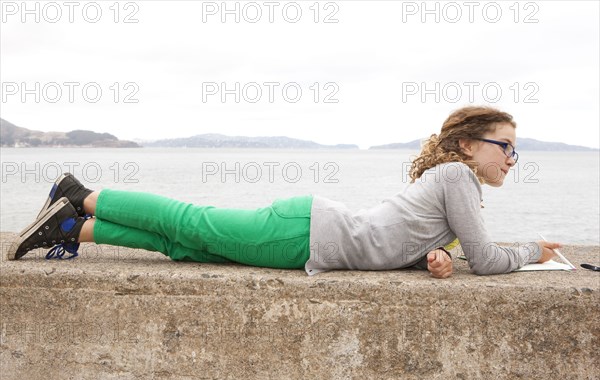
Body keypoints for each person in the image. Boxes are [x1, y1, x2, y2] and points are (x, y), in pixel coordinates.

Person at [8, 106, 562, 278]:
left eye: (516, 150)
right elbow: (487, 261)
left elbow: (402, 235)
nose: (512, 158)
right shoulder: (459, 177)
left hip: (313, 233)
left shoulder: (451, 181)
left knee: (189, 248)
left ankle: (69, 225)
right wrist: (534, 251)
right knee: (190, 221)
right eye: (505, 146)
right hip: (307, 234)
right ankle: (79, 193)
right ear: (467, 146)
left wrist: (432, 258)